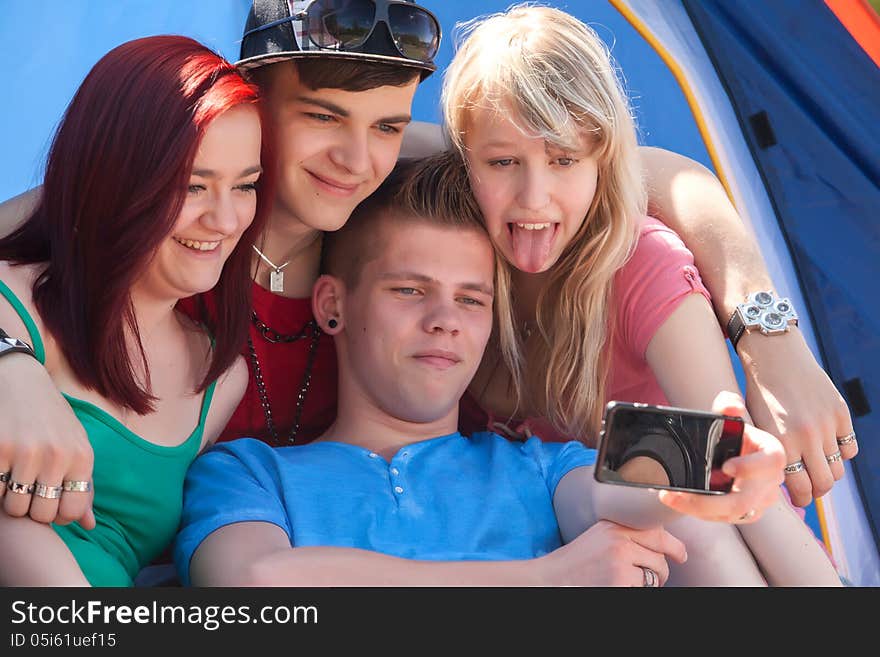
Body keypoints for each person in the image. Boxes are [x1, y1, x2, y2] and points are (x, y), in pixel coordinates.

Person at [0, 0, 853, 534]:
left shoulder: (387, 184)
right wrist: (10, 366)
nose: (355, 157)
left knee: (715, 520)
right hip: (249, 519)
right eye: (325, 116)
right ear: (253, 103)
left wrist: (766, 353)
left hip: (442, 493)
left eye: (384, 126)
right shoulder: (184, 208)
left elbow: (656, 173)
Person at [174, 155, 840, 587]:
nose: (446, 319)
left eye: (472, 298)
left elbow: (623, 483)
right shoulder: (250, 471)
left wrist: (725, 460)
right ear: (332, 306)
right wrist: (546, 579)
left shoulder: (538, 467)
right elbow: (253, 582)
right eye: (410, 289)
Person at [443, 4, 851, 524]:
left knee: (688, 503)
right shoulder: (447, 255)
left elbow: (733, 471)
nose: (533, 196)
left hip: (680, 537)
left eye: (564, 160)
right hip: (551, 548)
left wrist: (771, 342)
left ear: (603, 160)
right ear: (462, 162)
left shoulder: (639, 263)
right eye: (502, 163)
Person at [0, 35, 268, 586]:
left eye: (245, 186)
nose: (224, 219)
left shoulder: (220, 377)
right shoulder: (14, 299)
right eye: (193, 186)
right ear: (118, 180)